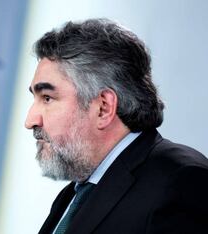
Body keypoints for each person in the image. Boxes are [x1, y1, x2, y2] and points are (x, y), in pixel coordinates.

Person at [25, 18, 208, 234]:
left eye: (47, 98)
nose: (30, 121)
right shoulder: (73, 195)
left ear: (103, 107)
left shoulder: (181, 182)